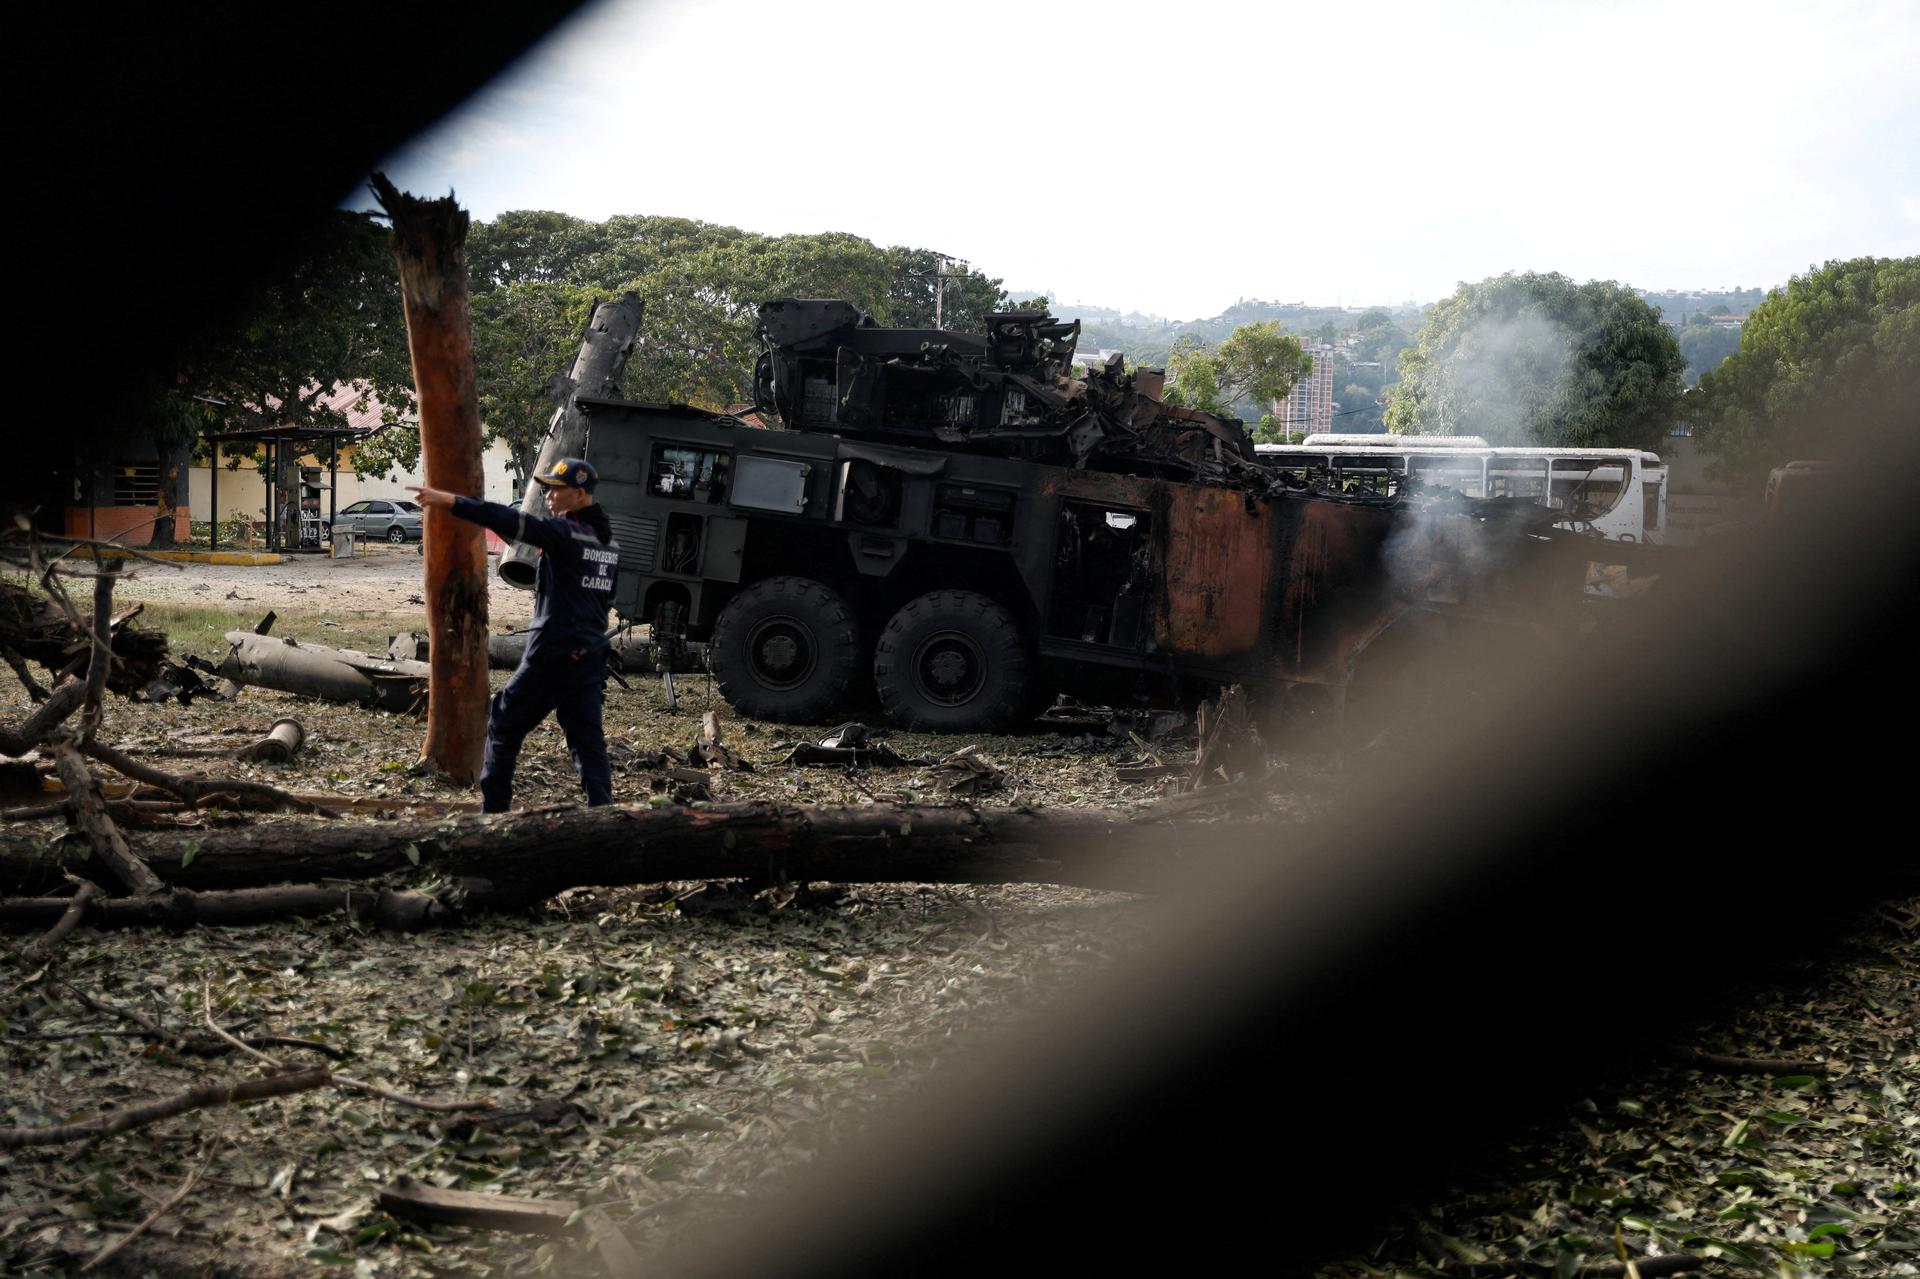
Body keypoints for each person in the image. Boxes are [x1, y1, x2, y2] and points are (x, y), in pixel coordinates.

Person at [408, 458, 621, 812]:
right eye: (546, 487)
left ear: (579, 494)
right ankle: (605, 814)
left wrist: (451, 501)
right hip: (590, 654)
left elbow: (510, 520)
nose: (548, 494)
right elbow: (605, 599)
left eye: (556, 488)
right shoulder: (608, 547)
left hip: (553, 651)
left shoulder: (565, 533)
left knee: (504, 723)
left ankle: (495, 816)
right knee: (587, 741)